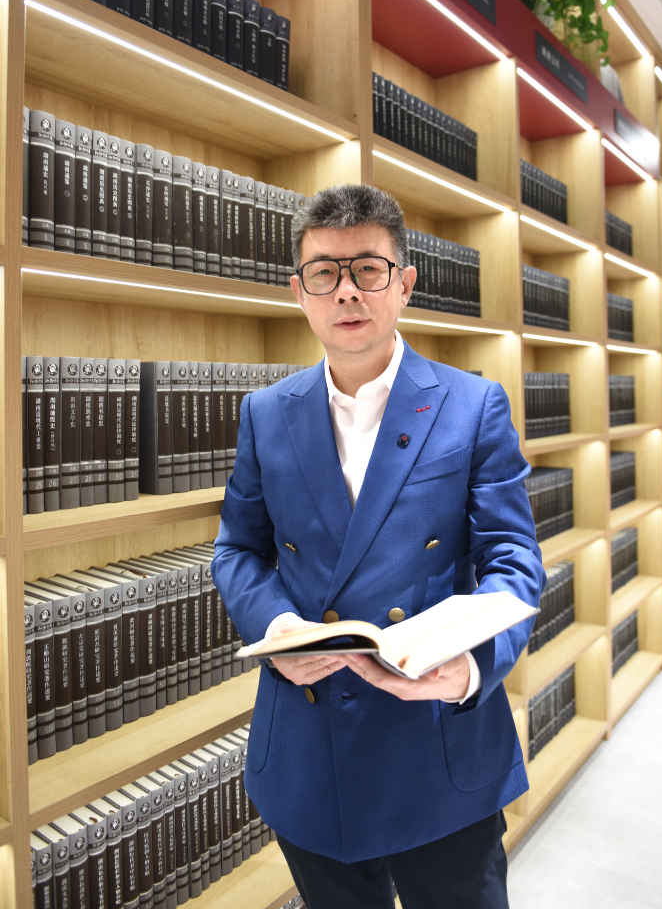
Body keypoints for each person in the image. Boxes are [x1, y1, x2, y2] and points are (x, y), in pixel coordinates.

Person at [211, 184, 545, 909]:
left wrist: (468, 668)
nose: (347, 291)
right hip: (309, 744)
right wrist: (278, 629)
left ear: (404, 284)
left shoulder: (473, 404)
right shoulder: (265, 413)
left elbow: (514, 562)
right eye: (324, 273)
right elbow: (237, 551)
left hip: (438, 741)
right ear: (299, 292)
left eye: (368, 269)